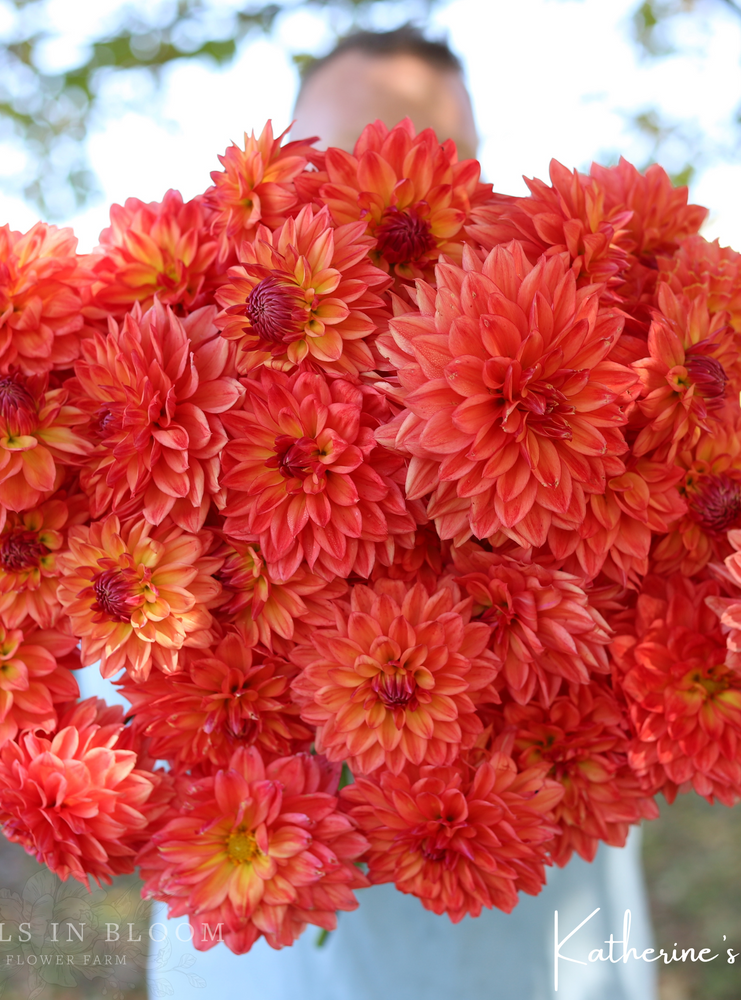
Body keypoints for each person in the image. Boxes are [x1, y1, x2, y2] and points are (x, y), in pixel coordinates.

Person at [114, 25, 659, 1000]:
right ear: (274, 178)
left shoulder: (603, 403)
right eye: (331, 165)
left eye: (406, 150)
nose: (363, 208)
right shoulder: (155, 453)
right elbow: (122, 713)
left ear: (477, 188)